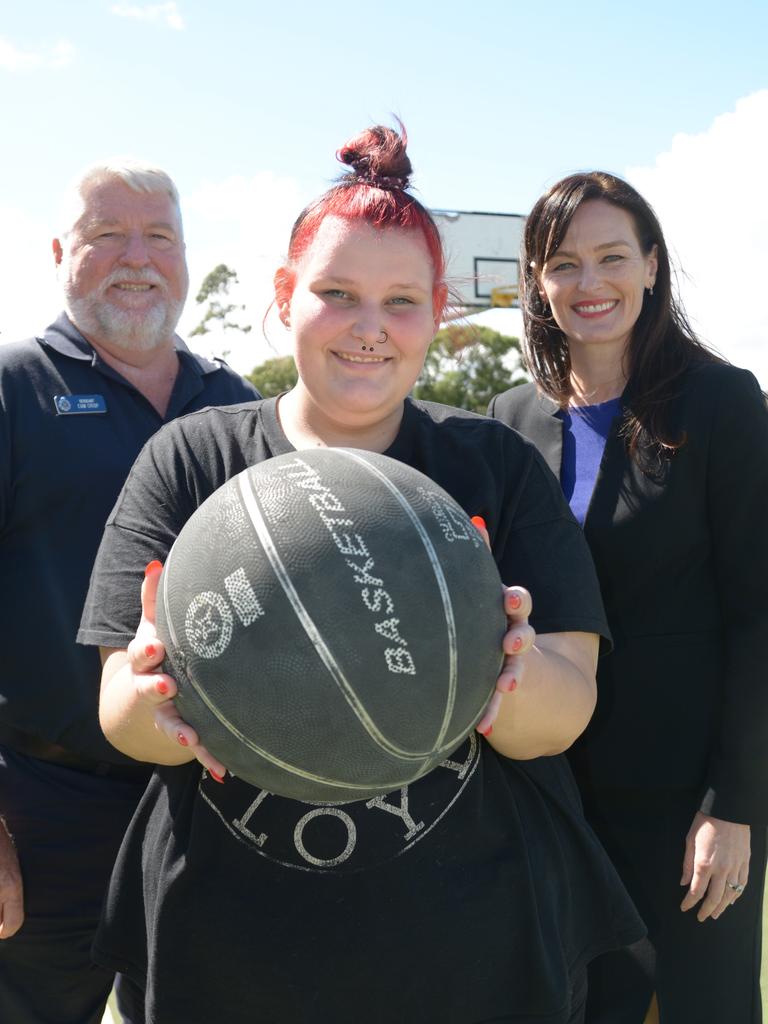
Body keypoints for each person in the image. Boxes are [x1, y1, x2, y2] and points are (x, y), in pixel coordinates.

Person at [78, 125, 644, 1024]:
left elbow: (565, 714)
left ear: (440, 309)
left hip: (473, 943)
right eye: (337, 293)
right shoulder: (191, 460)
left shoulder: (492, 463)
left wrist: (511, 673)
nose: (369, 329)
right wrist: (157, 695)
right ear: (284, 295)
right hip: (225, 947)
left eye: (401, 301)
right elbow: (119, 711)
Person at [488, 171, 768, 1023]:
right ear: (538, 281)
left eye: (612, 257)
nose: (590, 283)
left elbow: (760, 615)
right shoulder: (507, 420)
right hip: (549, 805)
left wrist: (737, 808)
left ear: (652, 267)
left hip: (685, 810)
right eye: (563, 263)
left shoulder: (722, 402)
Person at [0, 159, 260, 1024]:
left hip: (208, 803)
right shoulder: (13, 389)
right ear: (58, 251)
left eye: (159, 238)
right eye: (107, 235)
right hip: (44, 807)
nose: (136, 258)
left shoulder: (235, 402)